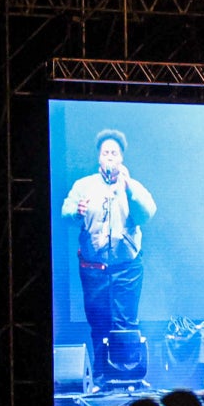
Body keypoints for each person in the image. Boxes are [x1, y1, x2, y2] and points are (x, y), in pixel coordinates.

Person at [62, 128, 155, 387]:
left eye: (115, 152)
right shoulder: (84, 185)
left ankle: (127, 376)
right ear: (99, 158)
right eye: (106, 152)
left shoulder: (132, 185)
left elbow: (147, 213)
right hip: (93, 268)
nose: (110, 157)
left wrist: (129, 188)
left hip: (127, 267)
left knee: (125, 322)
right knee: (99, 321)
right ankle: (103, 376)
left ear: (122, 158)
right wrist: (76, 212)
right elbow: (66, 211)